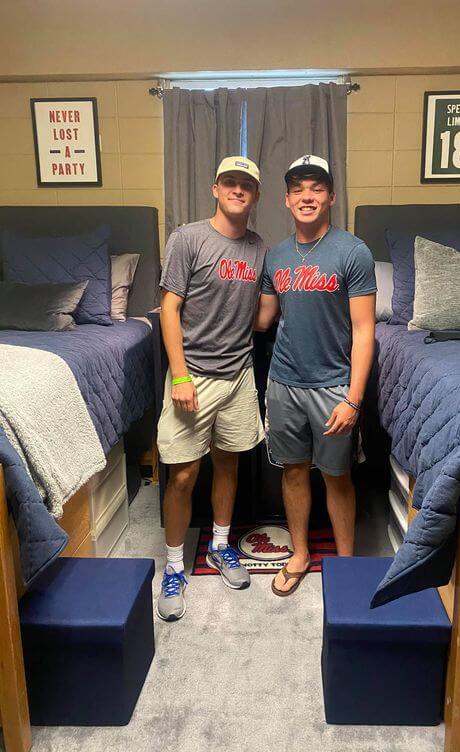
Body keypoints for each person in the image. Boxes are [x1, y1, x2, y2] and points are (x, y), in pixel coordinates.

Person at [255, 155, 376, 596]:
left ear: (330, 197)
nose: (307, 196)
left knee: (337, 476)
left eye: (316, 188)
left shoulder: (352, 251)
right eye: (298, 189)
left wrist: (353, 398)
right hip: (284, 382)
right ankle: (300, 553)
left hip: (333, 386)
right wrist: (214, 301)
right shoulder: (277, 255)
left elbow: (365, 331)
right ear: (287, 200)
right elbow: (263, 319)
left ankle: (346, 566)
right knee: (292, 472)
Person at [156, 156, 267, 621]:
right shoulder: (188, 238)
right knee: (182, 476)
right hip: (194, 375)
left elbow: (261, 318)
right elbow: (168, 308)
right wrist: (179, 374)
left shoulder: (260, 248)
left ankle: (221, 547)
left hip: (239, 374)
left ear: (255, 195)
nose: (238, 190)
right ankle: (174, 568)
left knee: (228, 462)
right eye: (230, 182)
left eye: (246, 184)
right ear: (215, 188)